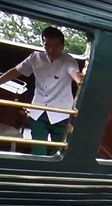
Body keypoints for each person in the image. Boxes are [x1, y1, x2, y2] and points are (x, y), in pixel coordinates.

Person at [0, 27, 82, 155]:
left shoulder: (69, 61)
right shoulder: (35, 57)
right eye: (47, 45)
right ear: (42, 44)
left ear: (62, 45)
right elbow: (16, 71)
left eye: (55, 45)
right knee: (38, 152)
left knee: (58, 153)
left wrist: (79, 79)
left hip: (61, 114)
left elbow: (74, 73)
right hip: (38, 113)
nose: (51, 49)